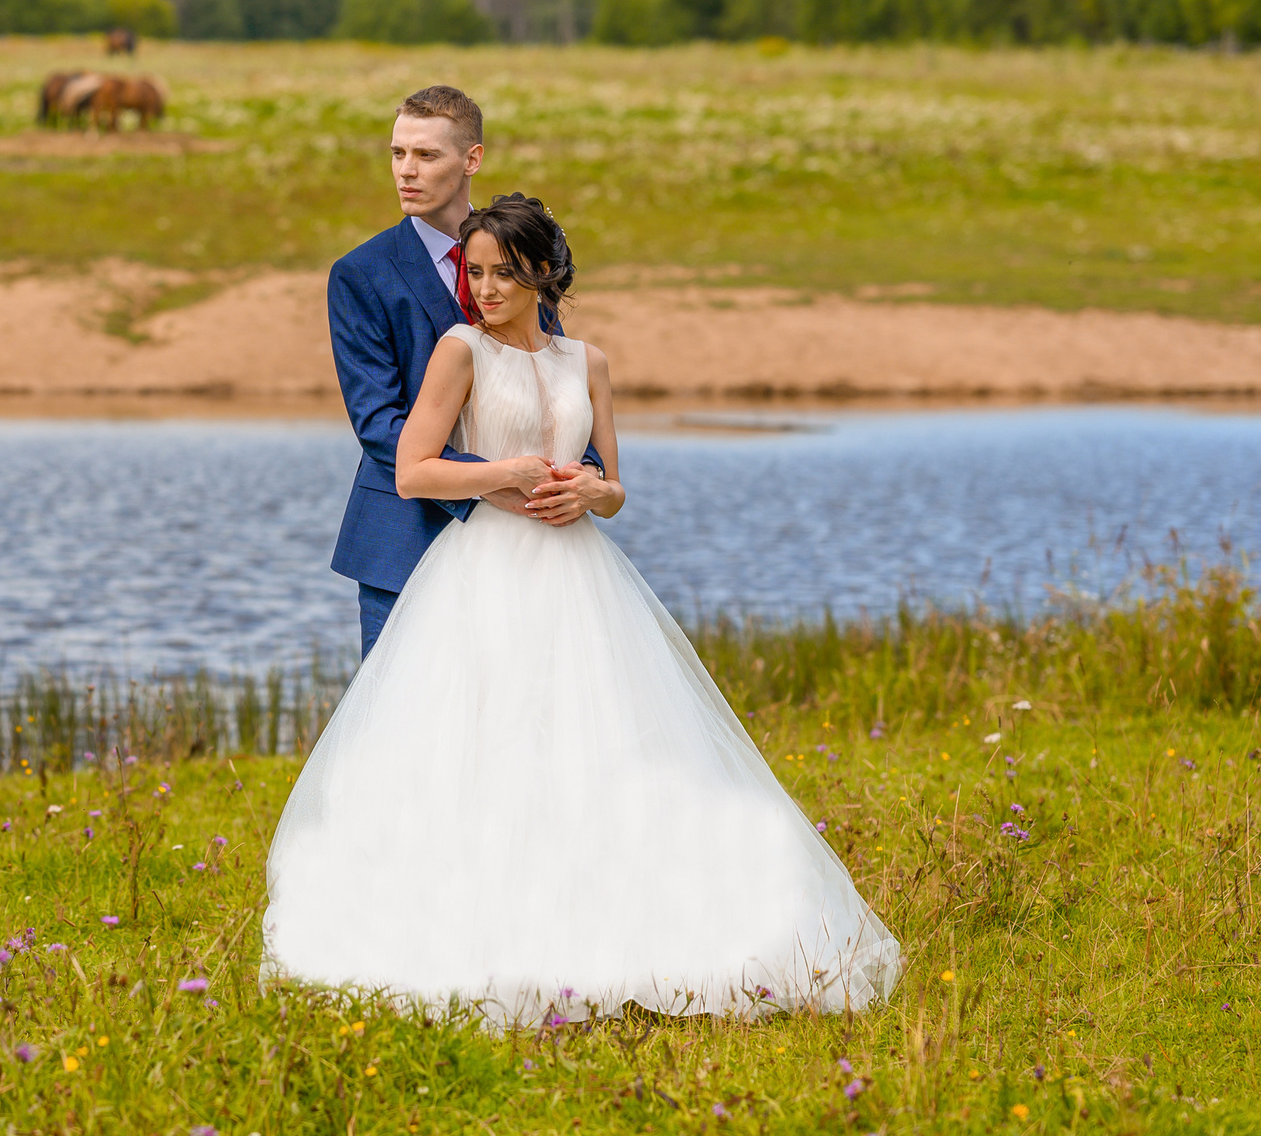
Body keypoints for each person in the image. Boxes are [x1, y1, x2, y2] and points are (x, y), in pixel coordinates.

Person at [266, 195, 902, 1021]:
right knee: (486, 740)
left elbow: (615, 486)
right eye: (475, 272)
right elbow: (414, 470)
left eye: (502, 274)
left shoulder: (587, 362)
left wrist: (591, 490)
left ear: (543, 274)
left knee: (598, 740)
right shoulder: (460, 351)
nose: (484, 290)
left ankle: (620, 920)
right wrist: (504, 474)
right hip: (484, 570)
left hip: (581, 576)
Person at [327, 85, 611, 656]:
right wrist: (495, 480)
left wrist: (583, 480)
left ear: (472, 159)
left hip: (526, 548)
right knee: (407, 731)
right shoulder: (361, 274)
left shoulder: (523, 261)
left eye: (426, 155)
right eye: (397, 153)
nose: (406, 171)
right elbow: (380, 422)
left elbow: (552, 385)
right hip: (403, 540)